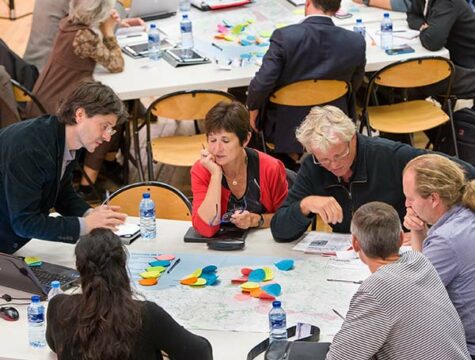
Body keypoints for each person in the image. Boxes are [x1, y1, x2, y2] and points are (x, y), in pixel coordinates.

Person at [270, 105, 475, 242]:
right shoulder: (313, 167)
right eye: (324, 159)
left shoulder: (389, 155)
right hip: (349, 256)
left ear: (353, 138)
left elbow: (466, 173)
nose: (333, 165)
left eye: (339, 155)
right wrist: (305, 205)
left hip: (393, 250)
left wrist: (432, 227)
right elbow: (279, 231)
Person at [325, 202, 471, 360]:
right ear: (401, 238)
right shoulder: (420, 262)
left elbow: (339, 357)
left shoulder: (376, 289)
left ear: (355, 243)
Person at [0, 81, 128, 254]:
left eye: (110, 130)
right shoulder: (31, 149)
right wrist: (85, 225)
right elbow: (25, 223)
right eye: (104, 126)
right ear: (80, 114)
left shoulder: (62, 138)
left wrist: (89, 214)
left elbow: (62, 193)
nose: (107, 137)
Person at [46, 228, 213, 360]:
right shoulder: (145, 315)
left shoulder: (59, 308)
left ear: (79, 268)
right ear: (123, 266)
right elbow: (200, 353)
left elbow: (55, 344)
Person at [26, 0, 129, 198]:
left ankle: (103, 168)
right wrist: (108, 31)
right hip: (56, 105)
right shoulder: (84, 36)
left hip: (44, 96)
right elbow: (116, 64)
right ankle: (87, 184)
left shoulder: (67, 24)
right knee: (109, 118)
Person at [246, 0, 366, 167]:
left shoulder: (284, 37)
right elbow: (354, 85)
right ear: (338, 8)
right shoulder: (355, 41)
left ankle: (284, 166)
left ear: (308, 3)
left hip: (285, 129)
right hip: (333, 125)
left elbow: (261, 84)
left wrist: (253, 109)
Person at [403, 154, 475, 358]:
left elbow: (412, 297)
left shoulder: (446, 240)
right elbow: (422, 271)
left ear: (433, 198)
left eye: (410, 198)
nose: (407, 205)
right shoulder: (466, 213)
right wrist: (418, 231)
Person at [191, 101, 288, 237]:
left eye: (225, 141)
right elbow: (207, 229)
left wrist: (256, 220)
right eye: (212, 140)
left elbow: (286, 219)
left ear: (245, 139)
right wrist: (216, 175)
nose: (217, 149)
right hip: (219, 250)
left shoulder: (270, 168)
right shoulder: (202, 169)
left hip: (264, 245)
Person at [23, 0, 144, 72]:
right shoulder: (83, 34)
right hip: (50, 76)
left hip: (34, 70)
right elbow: (115, 64)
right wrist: (109, 27)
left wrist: (117, 23)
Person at [407, 0, 475, 98]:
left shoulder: (448, 2)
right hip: (452, 62)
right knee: (409, 74)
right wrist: (426, 29)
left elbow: (432, 42)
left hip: (468, 72)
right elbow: (412, 15)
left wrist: (425, 31)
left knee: (414, 79)